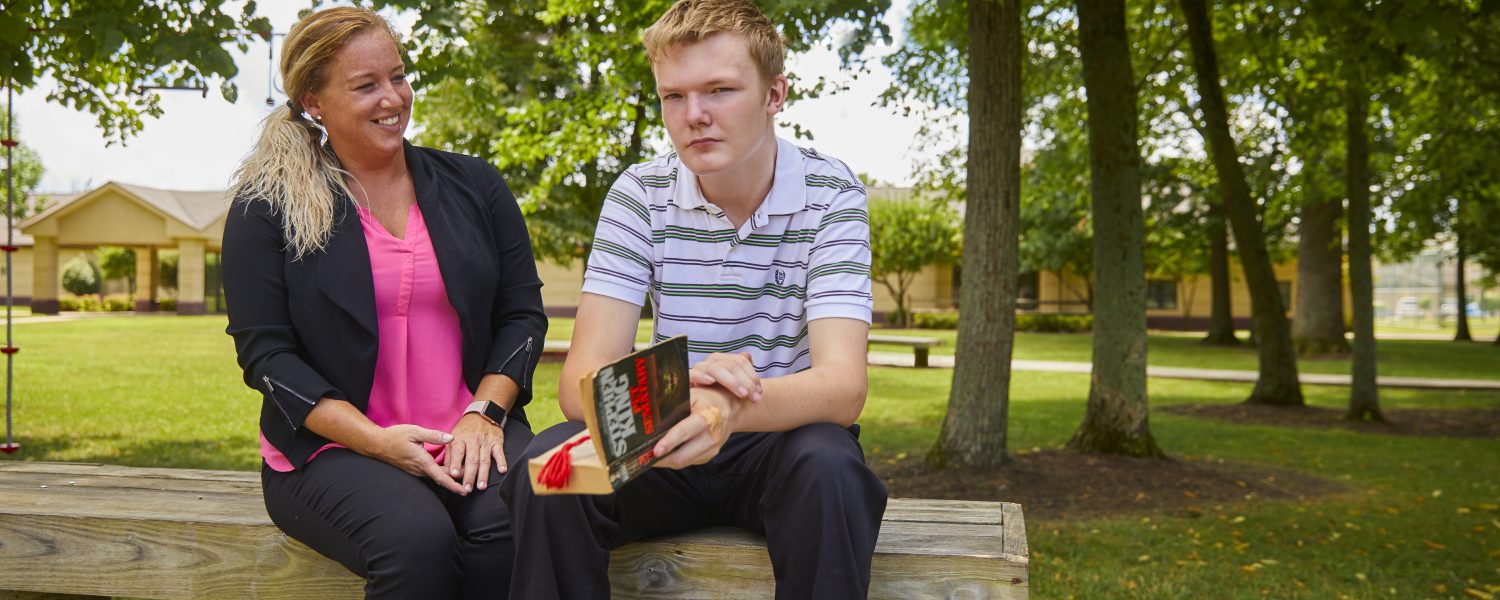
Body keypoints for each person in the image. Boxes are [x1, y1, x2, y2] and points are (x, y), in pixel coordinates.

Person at [500, 0, 887, 597]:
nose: (694, 116)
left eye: (719, 90)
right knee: (552, 466)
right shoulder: (640, 193)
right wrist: (688, 395)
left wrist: (727, 410)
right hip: (661, 431)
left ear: (773, 94)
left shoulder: (830, 192)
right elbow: (580, 381)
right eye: (673, 97)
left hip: (777, 442)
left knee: (830, 466)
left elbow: (842, 388)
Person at [220, 7, 546, 599]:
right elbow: (266, 356)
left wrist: (485, 414)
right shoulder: (266, 208)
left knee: (516, 522)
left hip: (472, 428)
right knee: (414, 538)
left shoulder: (477, 186)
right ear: (313, 100)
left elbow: (521, 315)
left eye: (397, 76)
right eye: (366, 85)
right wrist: (377, 442)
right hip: (335, 447)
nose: (392, 97)